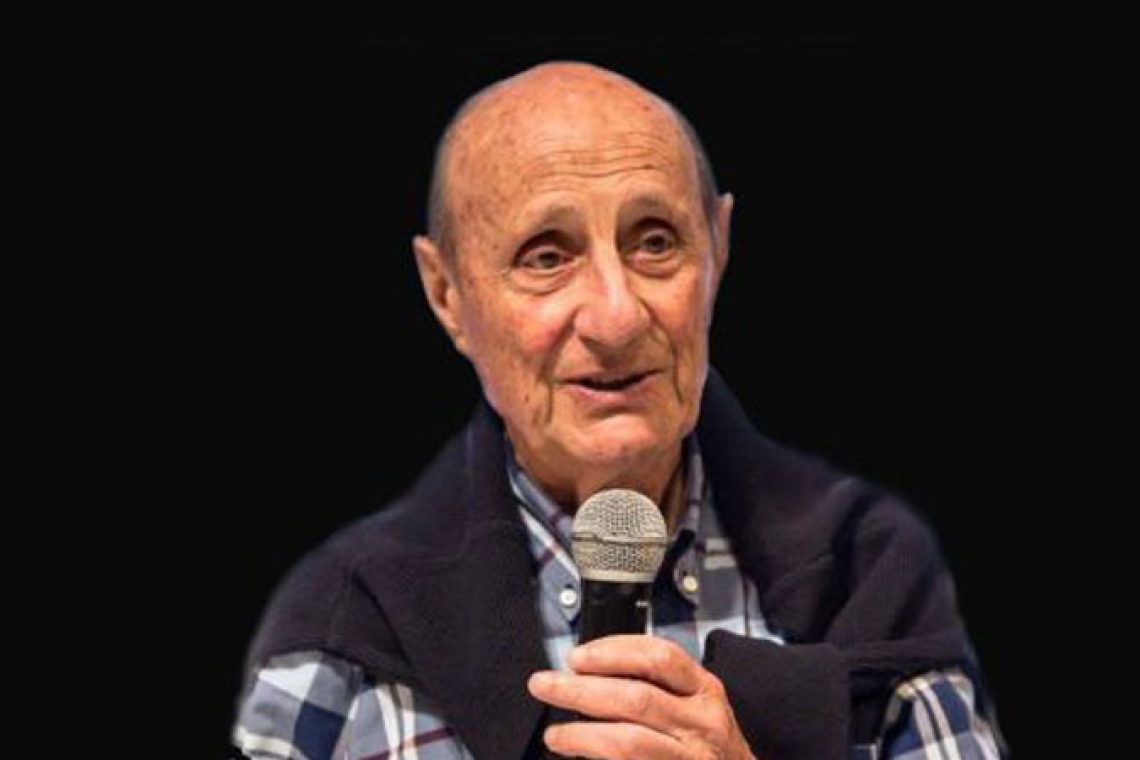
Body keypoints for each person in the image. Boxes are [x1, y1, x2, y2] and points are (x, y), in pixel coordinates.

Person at [232, 61, 1005, 760]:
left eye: (655, 242)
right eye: (546, 256)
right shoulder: (346, 626)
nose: (617, 316)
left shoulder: (866, 570)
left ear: (718, 249)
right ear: (447, 294)